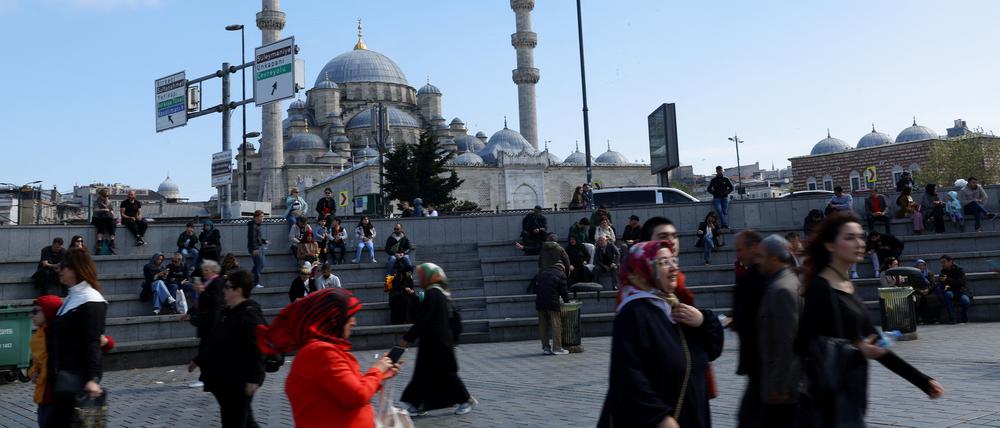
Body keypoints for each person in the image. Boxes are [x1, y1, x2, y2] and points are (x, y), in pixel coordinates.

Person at [794, 213, 943, 427]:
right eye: (849, 238)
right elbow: (802, 345)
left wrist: (922, 380)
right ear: (830, 245)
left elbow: (876, 345)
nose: (859, 243)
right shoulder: (820, 288)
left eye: (860, 237)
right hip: (826, 402)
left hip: (849, 397)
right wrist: (857, 351)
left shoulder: (846, 286)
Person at [597, 240, 724, 428]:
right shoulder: (634, 314)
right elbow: (627, 377)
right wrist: (659, 418)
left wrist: (703, 321)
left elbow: (712, 350)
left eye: (674, 261)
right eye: (664, 262)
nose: (673, 268)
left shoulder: (673, 307)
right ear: (644, 268)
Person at [258, 288, 400, 428]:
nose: (354, 322)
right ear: (332, 319)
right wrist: (377, 370)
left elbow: (346, 389)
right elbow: (357, 395)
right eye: (349, 316)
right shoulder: (321, 352)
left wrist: (382, 373)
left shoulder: (322, 350)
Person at [400, 263, 477, 416]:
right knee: (423, 374)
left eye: (422, 275)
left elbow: (423, 319)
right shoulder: (437, 293)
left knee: (447, 374)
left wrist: (407, 339)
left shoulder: (433, 294)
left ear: (430, 277)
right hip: (433, 342)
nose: (419, 278)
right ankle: (418, 404)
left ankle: (466, 400)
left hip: (438, 344)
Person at [193, 270, 266, 428]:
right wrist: (198, 359)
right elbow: (216, 340)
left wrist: (255, 378)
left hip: (237, 380)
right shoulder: (229, 312)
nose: (223, 289)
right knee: (246, 422)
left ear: (238, 290)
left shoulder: (249, 314)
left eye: (227, 286)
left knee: (234, 422)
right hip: (226, 379)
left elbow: (258, 347)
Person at [47, 248, 108, 427]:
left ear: (75, 269)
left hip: (77, 381)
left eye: (63, 266)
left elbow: (93, 342)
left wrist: (93, 378)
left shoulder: (92, 300)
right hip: (62, 380)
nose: (59, 269)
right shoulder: (72, 297)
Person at [753, 235, 803, 427]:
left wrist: (778, 386)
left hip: (784, 391)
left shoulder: (782, 289)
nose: (758, 260)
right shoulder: (787, 282)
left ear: (774, 258)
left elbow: (787, 342)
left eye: (761, 256)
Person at [731, 229, 766, 427]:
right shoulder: (753, 275)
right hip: (757, 365)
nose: (738, 254)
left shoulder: (761, 276)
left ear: (754, 247)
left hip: (763, 363)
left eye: (740, 249)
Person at [189, 260, 224, 388]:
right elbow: (201, 302)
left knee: (205, 348)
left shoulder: (217, 282)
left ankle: (204, 377)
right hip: (206, 321)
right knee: (206, 348)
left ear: (214, 271)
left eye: (206, 270)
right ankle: (207, 376)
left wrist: (202, 291)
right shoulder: (208, 282)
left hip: (212, 321)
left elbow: (216, 301)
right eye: (203, 270)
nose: (204, 272)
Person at [29, 295, 62, 427]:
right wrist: (33, 372)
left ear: (48, 311)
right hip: (43, 395)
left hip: (58, 394)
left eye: (36, 311)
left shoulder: (60, 334)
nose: (31, 315)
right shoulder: (38, 335)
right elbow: (37, 363)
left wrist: (106, 342)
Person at [534, 262, 571, 355]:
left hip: (540, 302)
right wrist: (567, 301)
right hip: (552, 303)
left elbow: (535, 288)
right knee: (556, 325)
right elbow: (564, 291)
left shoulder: (542, 273)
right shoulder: (561, 274)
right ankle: (557, 348)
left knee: (543, 326)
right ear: (562, 268)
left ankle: (546, 347)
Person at [938, 255, 970, 324]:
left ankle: (963, 317)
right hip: (950, 291)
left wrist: (947, 279)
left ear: (950, 261)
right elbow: (943, 284)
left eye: (944, 262)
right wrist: (942, 281)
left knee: (966, 302)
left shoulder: (959, 269)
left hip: (961, 291)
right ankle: (953, 318)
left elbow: (961, 282)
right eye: (941, 262)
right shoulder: (943, 271)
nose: (943, 264)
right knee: (948, 294)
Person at [912, 259, 943, 324]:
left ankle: (933, 318)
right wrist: (920, 291)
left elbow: (932, 284)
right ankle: (919, 318)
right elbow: (912, 286)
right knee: (917, 299)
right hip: (917, 291)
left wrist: (928, 290)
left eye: (923, 265)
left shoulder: (929, 273)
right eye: (919, 266)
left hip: (929, 290)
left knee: (933, 298)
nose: (921, 267)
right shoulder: (913, 274)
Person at [388, 260, 417, 324]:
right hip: (397, 296)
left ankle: (414, 319)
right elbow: (395, 286)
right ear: (405, 271)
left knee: (416, 299)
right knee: (406, 301)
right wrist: (405, 289)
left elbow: (412, 287)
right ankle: (405, 320)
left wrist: (412, 291)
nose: (410, 274)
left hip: (406, 294)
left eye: (411, 272)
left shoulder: (409, 278)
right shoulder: (398, 276)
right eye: (408, 272)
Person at [91, 188, 117, 254]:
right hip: (98, 217)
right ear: (101, 195)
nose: (106, 197)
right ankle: (99, 241)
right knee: (101, 223)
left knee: (112, 223)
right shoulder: (97, 201)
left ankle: (112, 240)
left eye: (107, 196)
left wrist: (111, 213)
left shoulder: (109, 202)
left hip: (107, 217)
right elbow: (95, 210)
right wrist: (103, 210)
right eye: (105, 196)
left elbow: (112, 210)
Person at [247, 210, 268, 289]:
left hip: (260, 246)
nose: (263, 218)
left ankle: (250, 279)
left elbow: (257, 237)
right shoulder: (253, 225)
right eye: (262, 217)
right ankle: (255, 283)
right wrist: (255, 249)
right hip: (256, 248)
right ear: (257, 217)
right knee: (259, 264)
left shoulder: (257, 225)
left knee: (261, 264)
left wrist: (263, 241)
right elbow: (252, 238)